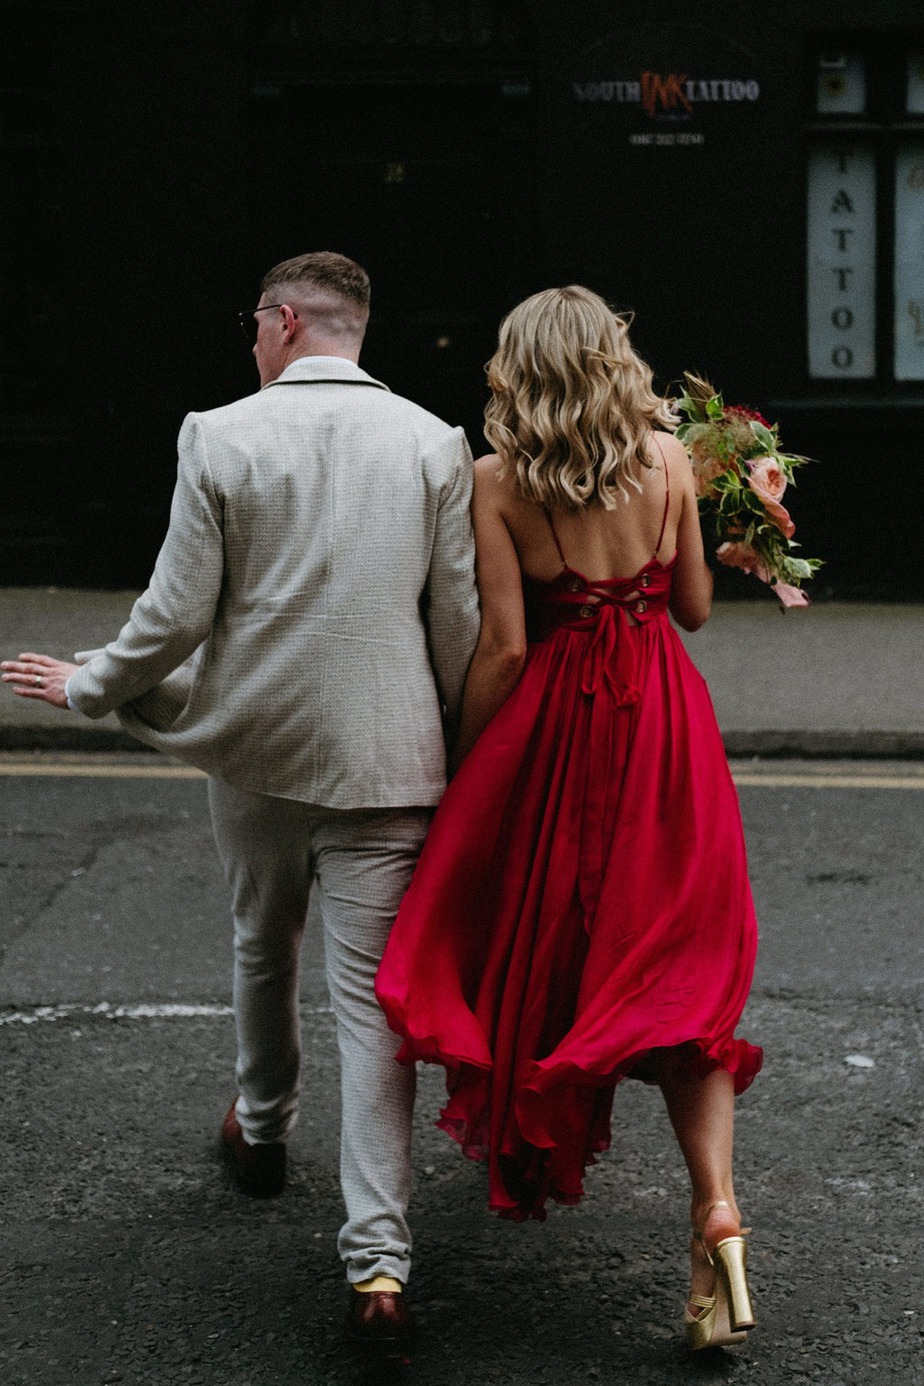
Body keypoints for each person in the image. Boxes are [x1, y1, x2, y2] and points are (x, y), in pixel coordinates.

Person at [1, 251, 479, 1357]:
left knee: (263, 940)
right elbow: (454, 619)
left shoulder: (221, 434)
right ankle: (377, 1266)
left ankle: (262, 1133)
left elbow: (173, 617)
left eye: (253, 326)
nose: (250, 344)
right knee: (372, 1009)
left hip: (258, 748)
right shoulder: (432, 442)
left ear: (283, 322)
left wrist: (88, 686)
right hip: (390, 756)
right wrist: (455, 739)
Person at [375, 285, 763, 1351]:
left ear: (519, 372)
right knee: (678, 971)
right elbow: (689, 609)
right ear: (614, 360)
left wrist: (463, 764)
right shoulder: (671, 462)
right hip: (663, 727)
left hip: (555, 728)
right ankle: (717, 1209)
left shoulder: (497, 483)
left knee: (535, 930)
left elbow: (501, 646)